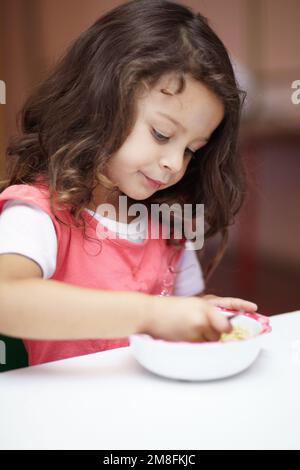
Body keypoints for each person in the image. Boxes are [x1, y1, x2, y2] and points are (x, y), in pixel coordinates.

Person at [0, 0, 257, 367]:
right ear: (100, 102)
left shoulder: (168, 224)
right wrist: (151, 313)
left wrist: (197, 314)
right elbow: (6, 300)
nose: (173, 163)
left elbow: (173, 313)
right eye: (161, 133)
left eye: (191, 151)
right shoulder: (38, 213)